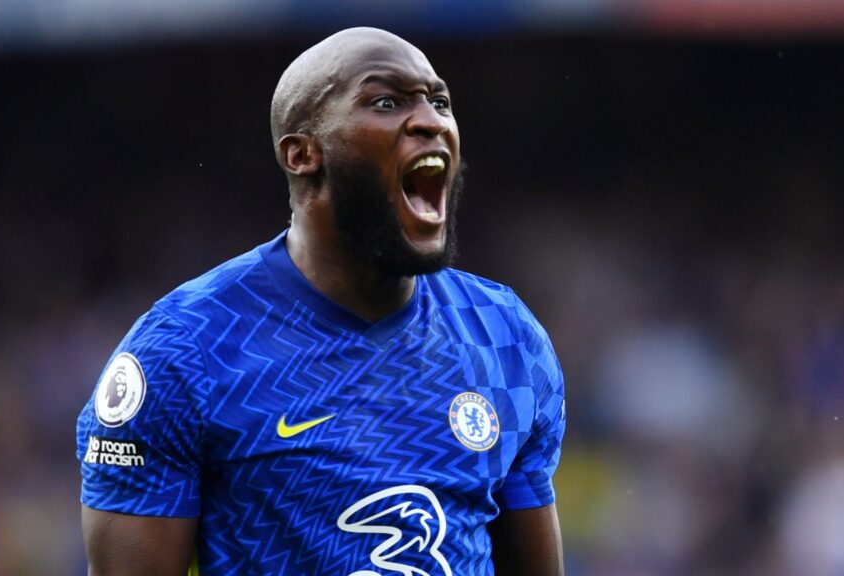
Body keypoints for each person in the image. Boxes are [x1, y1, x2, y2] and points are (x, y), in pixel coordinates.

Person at [77, 27, 566, 576]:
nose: (430, 120)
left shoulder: (505, 336)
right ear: (303, 153)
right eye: (387, 102)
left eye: (440, 102)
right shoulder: (184, 351)